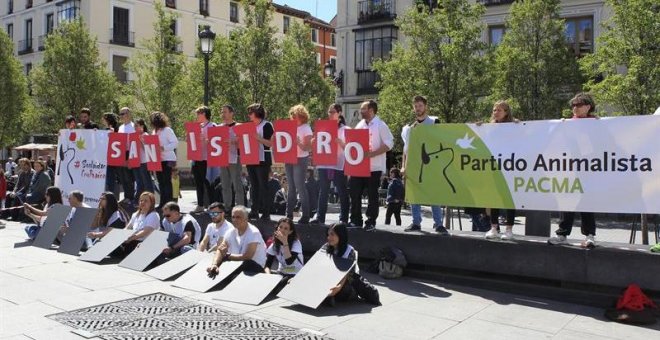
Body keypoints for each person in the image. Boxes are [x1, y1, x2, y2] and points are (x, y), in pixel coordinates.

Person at [548, 93, 599, 248]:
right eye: (573, 105)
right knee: (567, 200)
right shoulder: (567, 124)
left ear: (588, 106)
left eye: (578, 105)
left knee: (586, 201)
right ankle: (562, 234)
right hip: (568, 168)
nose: (575, 108)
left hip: (589, 169)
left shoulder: (596, 124)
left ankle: (590, 235)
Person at [401, 95, 449, 234]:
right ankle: (416, 222)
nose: (418, 109)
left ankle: (438, 223)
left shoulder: (435, 122)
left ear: (425, 107)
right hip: (415, 166)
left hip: (432, 165)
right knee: (414, 194)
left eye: (420, 106)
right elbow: (406, 149)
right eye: (415, 106)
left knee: (434, 194)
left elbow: (443, 141)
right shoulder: (409, 128)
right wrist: (404, 166)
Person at [349, 100, 394, 232]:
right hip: (359, 166)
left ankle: (371, 221)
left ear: (371, 110)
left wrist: (373, 154)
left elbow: (389, 144)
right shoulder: (360, 124)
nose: (360, 111)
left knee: (372, 195)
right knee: (354, 192)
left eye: (363, 109)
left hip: (374, 167)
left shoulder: (381, 125)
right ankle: (355, 220)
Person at [478, 101, 519, 240]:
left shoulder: (514, 126)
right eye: (494, 110)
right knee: (494, 197)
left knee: (509, 199)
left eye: (499, 110)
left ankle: (509, 229)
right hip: (494, 166)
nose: (496, 112)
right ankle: (494, 227)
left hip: (510, 166)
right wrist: (479, 128)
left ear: (506, 112)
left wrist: (520, 127)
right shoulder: (490, 127)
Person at [324, 223, 380, 306]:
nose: (329, 238)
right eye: (328, 235)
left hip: (346, 281)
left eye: (332, 234)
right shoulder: (326, 247)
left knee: (344, 291)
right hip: (330, 278)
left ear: (341, 235)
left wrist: (338, 288)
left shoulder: (349, 251)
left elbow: (347, 274)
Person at [312, 105, 350, 225]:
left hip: (339, 164)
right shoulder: (323, 127)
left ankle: (343, 219)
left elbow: (351, 148)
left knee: (342, 191)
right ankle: (320, 217)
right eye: (329, 112)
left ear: (339, 113)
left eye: (332, 112)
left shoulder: (345, 129)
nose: (330, 114)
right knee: (323, 191)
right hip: (325, 163)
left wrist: (341, 143)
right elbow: (317, 144)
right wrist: (314, 140)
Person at [206, 205, 267, 277]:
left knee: (238, 264)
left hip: (255, 266)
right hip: (238, 263)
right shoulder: (230, 232)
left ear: (246, 219)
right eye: (233, 217)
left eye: (238, 217)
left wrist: (227, 256)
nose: (235, 220)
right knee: (216, 260)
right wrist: (215, 264)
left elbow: (247, 256)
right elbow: (220, 249)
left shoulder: (254, 232)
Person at [282, 105, 313, 224]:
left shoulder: (306, 128)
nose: (292, 118)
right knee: (291, 187)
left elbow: (309, 147)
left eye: (295, 116)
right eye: (291, 116)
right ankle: (288, 214)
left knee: (300, 186)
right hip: (289, 158)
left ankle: (306, 215)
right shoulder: (290, 127)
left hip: (300, 159)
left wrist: (299, 143)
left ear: (301, 116)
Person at [246, 104, 274, 221]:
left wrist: (258, 138)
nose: (249, 115)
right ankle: (254, 210)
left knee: (263, 186)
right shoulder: (249, 126)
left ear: (257, 113)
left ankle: (266, 212)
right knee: (254, 186)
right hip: (251, 158)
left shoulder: (267, 125)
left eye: (251, 113)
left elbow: (270, 143)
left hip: (263, 159)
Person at [265, 218, 304, 293]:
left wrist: (285, 242)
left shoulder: (296, 243)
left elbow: (289, 261)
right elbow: (267, 265)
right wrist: (268, 276)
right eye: (280, 227)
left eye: (286, 228)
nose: (282, 230)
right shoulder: (274, 243)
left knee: (280, 287)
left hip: (295, 272)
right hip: (281, 272)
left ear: (290, 231)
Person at [218, 105, 245, 209]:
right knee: (225, 185)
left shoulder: (239, 126)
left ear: (231, 113)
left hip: (235, 158)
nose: (223, 114)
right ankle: (228, 207)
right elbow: (214, 142)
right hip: (222, 158)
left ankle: (240, 208)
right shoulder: (219, 127)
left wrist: (234, 141)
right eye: (222, 112)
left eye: (225, 112)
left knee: (237, 183)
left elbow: (245, 141)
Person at [191, 106, 217, 213]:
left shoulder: (213, 126)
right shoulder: (197, 127)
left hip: (207, 159)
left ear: (204, 114)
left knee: (208, 182)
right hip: (197, 158)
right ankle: (200, 205)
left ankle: (212, 206)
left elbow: (217, 141)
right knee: (198, 183)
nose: (197, 116)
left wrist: (206, 140)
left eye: (198, 114)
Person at [150, 112, 178, 209]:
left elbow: (175, 143)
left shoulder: (167, 130)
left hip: (168, 159)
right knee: (161, 182)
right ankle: (162, 203)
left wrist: (163, 148)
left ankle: (169, 204)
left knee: (166, 181)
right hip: (158, 159)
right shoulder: (154, 132)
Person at [117, 108, 138, 203]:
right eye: (120, 114)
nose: (121, 116)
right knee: (122, 176)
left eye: (123, 114)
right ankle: (126, 196)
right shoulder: (120, 127)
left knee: (129, 176)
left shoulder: (134, 126)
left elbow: (135, 141)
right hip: (121, 153)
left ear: (129, 114)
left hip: (130, 152)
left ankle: (131, 197)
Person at [102, 113, 124, 198]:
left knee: (112, 178)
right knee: (109, 178)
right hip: (107, 157)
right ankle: (110, 196)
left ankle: (112, 197)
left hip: (114, 157)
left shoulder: (116, 129)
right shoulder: (107, 129)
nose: (102, 121)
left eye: (104, 119)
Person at [134, 119, 155, 194]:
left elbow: (147, 149)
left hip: (144, 162)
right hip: (139, 162)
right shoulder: (136, 135)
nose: (135, 128)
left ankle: (150, 198)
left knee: (147, 182)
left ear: (142, 126)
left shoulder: (145, 134)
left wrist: (140, 141)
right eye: (134, 126)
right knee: (140, 182)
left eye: (136, 126)